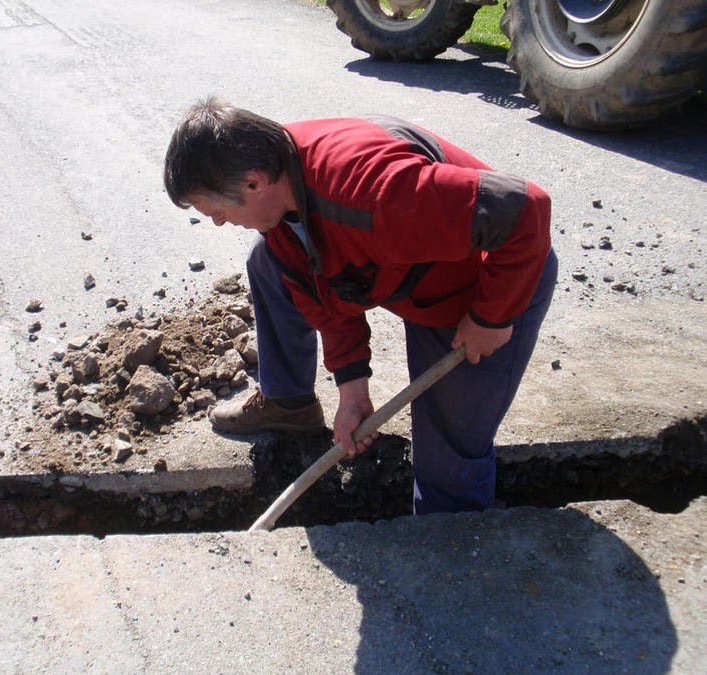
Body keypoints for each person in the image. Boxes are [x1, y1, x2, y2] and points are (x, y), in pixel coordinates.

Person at [164, 97, 557, 515]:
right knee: (266, 259)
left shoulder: (375, 192)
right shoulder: (283, 193)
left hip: (491, 284)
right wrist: (352, 391)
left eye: (217, 210)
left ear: (253, 183)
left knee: (448, 455)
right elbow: (323, 295)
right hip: (407, 274)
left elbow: (526, 210)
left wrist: (491, 317)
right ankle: (289, 404)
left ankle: (453, 550)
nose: (218, 222)